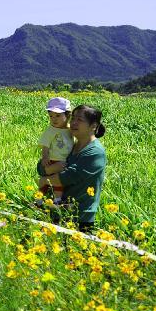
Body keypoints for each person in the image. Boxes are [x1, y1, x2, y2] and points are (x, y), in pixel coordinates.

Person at [38, 105, 107, 233]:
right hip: (56, 210)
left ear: (93, 126)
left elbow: (68, 177)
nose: (73, 123)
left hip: (80, 216)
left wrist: (44, 180)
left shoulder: (95, 152)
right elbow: (41, 165)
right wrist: (48, 170)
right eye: (73, 118)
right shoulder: (69, 146)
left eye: (79, 120)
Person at [35, 97, 73, 205]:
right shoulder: (51, 130)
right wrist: (45, 157)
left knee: (58, 181)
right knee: (46, 182)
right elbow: (45, 145)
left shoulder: (69, 130)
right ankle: (38, 198)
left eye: (58, 116)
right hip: (52, 160)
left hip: (64, 161)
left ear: (67, 115)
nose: (54, 119)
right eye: (51, 116)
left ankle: (57, 200)